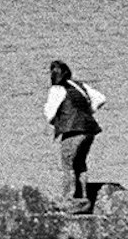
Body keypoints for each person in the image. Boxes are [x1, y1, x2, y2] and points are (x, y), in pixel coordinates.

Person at [45, 60, 106, 207]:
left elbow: (49, 113)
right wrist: (87, 111)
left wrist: (57, 121)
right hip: (89, 130)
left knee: (68, 164)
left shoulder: (56, 89)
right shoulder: (79, 85)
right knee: (80, 164)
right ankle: (83, 198)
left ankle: (70, 199)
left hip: (72, 130)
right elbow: (101, 98)